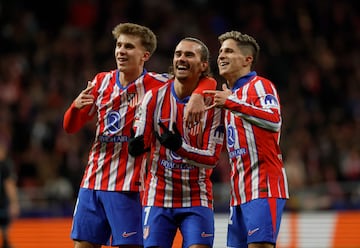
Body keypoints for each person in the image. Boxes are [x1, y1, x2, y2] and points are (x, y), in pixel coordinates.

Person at [63, 23, 216, 248]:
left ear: (145, 55)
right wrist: (75, 107)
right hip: (92, 181)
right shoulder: (101, 81)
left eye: (129, 47)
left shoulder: (157, 83)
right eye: (119, 45)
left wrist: (198, 95)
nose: (121, 51)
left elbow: (204, 79)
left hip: (130, 186)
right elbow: (70, 127)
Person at [128, 37, 225, 248]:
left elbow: (212, 159)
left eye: (189, 55)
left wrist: (179, 147)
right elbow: (140, 137)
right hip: (158, 194)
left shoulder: (214, 106)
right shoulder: (154, 97)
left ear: (204, 65)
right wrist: (137, 144)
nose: (181, 58)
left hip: (196, 195)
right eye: (178, 54)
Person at [204, 31, 289, 248]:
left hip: (263, 186)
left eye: (229, 51)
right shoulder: (227, 95)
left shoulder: (260, 86)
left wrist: (232, 102)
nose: (221, 56)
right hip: (238, 192)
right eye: (221, 51)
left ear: (247, 59)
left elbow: (274, 121)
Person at [0, 140, 20, 248]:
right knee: (4, 231)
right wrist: (14, 203)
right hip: (2, 205)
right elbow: (9, 185)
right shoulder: (4, 166)